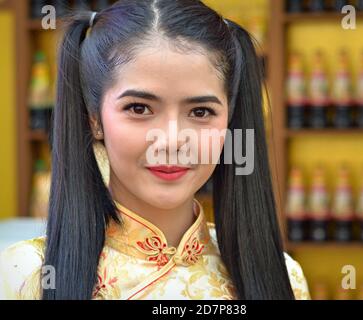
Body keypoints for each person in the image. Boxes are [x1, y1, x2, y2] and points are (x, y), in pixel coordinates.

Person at [0, 0, 310, 300]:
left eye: (201, 112)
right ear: (94, 119)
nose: (172, 141)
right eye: (139, 108)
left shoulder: (284, 276)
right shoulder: (26, 275)